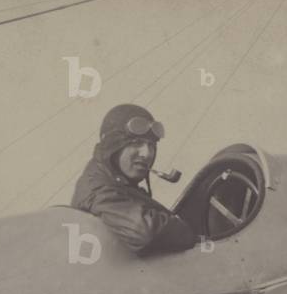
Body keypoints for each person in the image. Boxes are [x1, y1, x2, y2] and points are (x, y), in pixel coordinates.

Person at [72, 104, 196, 255]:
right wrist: (183, 228)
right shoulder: (97, 188)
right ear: (112, 146)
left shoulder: (118, 182)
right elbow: (143, 232)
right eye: (136, 143)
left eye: (151, 145)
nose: (146, 153)